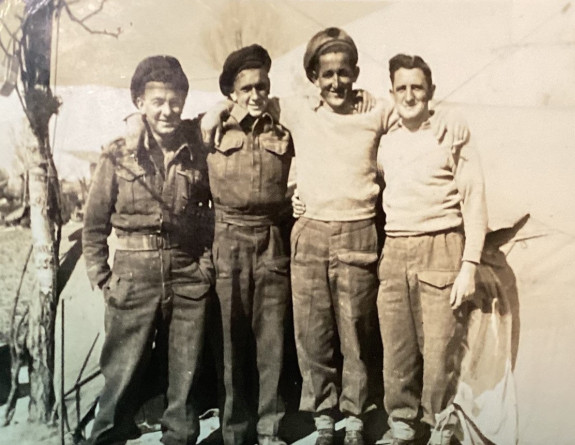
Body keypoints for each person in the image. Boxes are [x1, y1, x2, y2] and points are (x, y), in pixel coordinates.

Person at [201, 28, 468, 445]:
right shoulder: (295, 110)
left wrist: (450, 116)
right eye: (326, 75)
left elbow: (418, 111)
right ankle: (324, 418)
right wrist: (214, 110)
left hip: (359, 231)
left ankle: (356, 418)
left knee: (355, 335)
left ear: (356, 74)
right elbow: (245, 99)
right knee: (312, 335)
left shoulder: (378, 111)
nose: (336, 83)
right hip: (309, 235)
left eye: (344, 73)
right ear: (313, 77)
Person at [82, 55, 214, 445]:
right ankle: (106, 438)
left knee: (184, 376)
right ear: (139, 102)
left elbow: (209, 212)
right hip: (132, 273)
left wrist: (204, 266)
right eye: (157, 101)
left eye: (175, 101)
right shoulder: (118, 155)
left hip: (187, 272)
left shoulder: (196, 152)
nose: (167, 111)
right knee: (121, 373)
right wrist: (103, 278)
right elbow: (93, 224)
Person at [375, 54, 487, 445]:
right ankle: (402, 426)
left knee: (440, 351)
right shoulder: (384, 139)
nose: (409, 95)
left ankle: (441, 427)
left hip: (442, 246)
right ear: (391, 93)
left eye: (417, 87)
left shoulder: (450, 133)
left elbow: (474, 199)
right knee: (397, 349)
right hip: (394, 249)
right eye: (401, 88)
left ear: (431, 92)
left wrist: (469, 265)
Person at [208, 44, 294, 445]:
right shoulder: (212, 130)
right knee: (230, 342)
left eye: (262, 86)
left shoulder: (284, 132)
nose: (256, 95)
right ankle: (234, 431)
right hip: (228, 239)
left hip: (271, 239)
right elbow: (161, 127)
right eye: (246, 89)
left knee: (272, 341)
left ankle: (270, 429)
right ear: (231, 92)